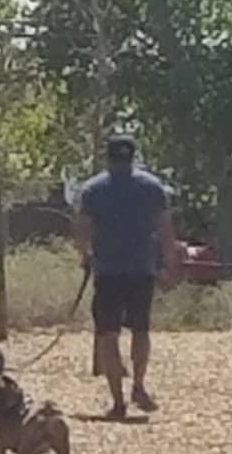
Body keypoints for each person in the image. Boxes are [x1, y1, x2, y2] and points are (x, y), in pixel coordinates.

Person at [74, 134, 181, 421]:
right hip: (141, 269)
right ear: (133, 156)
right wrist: (170, 265)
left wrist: (85, 257)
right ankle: (139, 385)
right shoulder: (152, 187)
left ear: (107, 157)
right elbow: (166, 231)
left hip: (108, 271)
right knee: (141, 330)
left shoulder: (93, 190)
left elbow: (81, 231)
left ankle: (117, 401)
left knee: (108, 334)